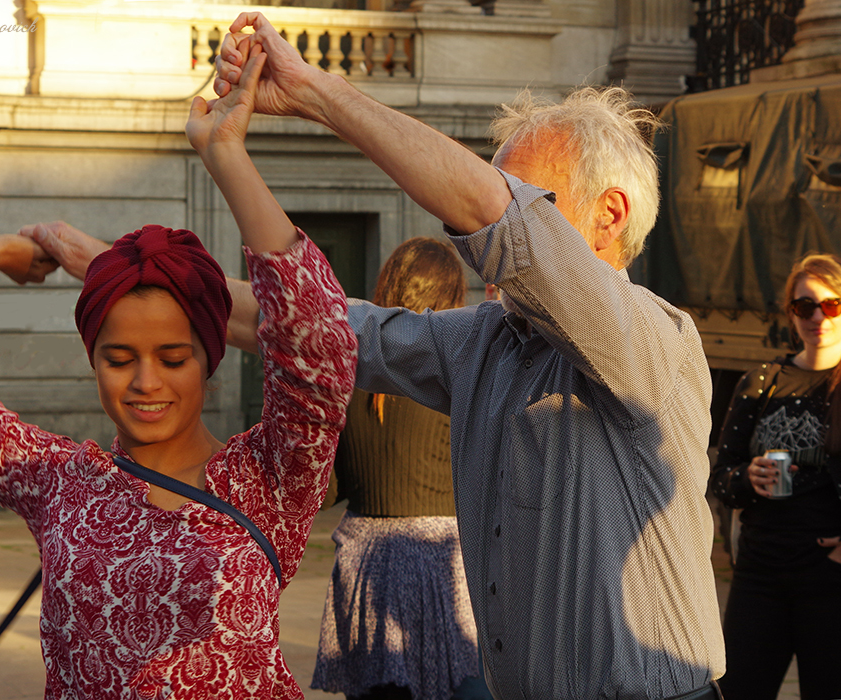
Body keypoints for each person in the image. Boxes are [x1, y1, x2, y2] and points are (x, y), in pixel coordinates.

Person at [213, 13, 726, 700]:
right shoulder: (489, 339)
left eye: (529, 206)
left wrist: (311, 91)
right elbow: (313, 324)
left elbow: (488, 215)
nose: (481, 243)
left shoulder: (652, 337)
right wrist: (133, 279)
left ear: (609, 216)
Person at [0, 48, 357, 699]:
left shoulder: (272, 475)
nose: (146, 381)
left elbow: (319, 337)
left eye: (173, 358)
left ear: (210, 358)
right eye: (119, 359)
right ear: (93, 360)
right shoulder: (59, 482)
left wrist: (226, 152)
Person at [312, 237, 489, 700]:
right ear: (451, 300)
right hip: (446, 563)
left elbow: (327, 490)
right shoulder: (463, 377)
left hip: (368, 564)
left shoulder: (348, 378)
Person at [710, 253, 841, 700]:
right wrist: (747, 477)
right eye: (806, 306)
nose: (818, 317)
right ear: (791, 312)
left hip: (829, 579)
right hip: (759, 574)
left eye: (831, 305)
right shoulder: (761, 380)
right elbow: (720, 479)